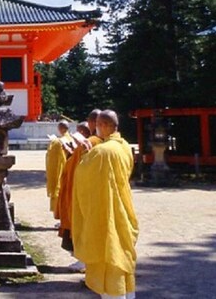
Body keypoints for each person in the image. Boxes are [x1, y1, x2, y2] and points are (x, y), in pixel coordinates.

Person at [72, 110, 138, 299]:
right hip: (122, 209)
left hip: (106, 211)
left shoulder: (101, 151)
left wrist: (84, 154)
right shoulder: (124, 146)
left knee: (110, 255)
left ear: (104, 125)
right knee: (122, 253)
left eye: (97, 125)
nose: (95, 129)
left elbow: (82, 178)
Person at [57, 109, 103, 266]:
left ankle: (84, 259)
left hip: (81, 189)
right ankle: (83, 258)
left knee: (83, 224)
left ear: (92, 123)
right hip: (86, 188)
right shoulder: (99, 142)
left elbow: (83, 165)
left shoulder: (93, 142)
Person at [46, 120, 73, 220]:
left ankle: (60, 216)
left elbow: (52, 157)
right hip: (69, 170)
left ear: (60, 128)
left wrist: (52, 143)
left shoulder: (57, 142)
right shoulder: (71, 139)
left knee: (58, 192)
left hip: (60, 170)